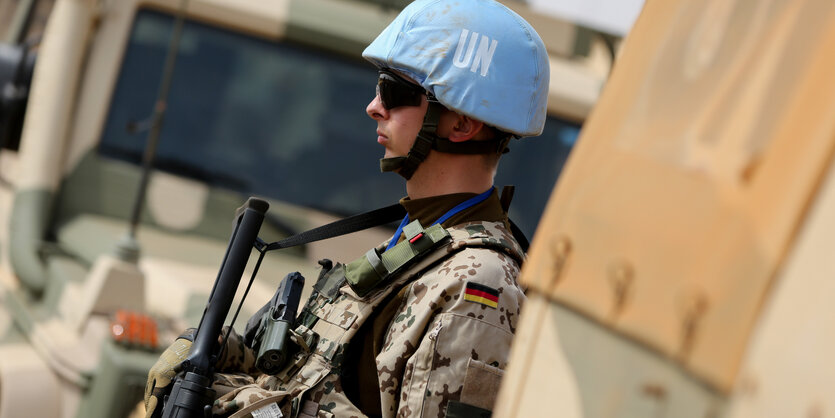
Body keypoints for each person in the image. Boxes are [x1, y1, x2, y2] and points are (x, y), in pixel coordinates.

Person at [144, 0, 549, 416]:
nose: (374, 106)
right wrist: (219, 355)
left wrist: (256, 408)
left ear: (461, 124)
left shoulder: (479, 284)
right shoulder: (422, 240)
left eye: (395, 92)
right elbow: (318, 379)